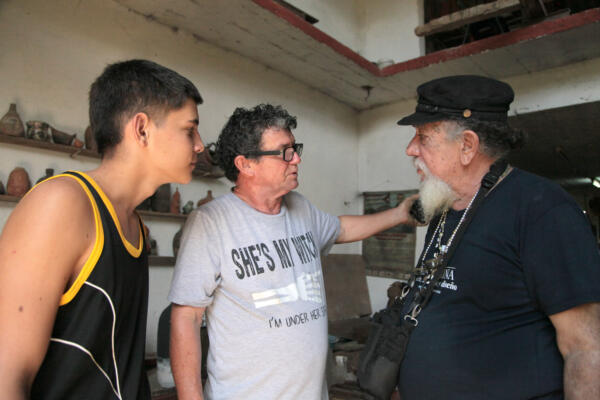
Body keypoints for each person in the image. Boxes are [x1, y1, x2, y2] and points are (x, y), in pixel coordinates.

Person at [168, 104, 416, 400]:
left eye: (295, 149)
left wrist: (400, 214)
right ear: (246, 164)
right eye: (285, 152)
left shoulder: (300, 207)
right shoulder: (210, 223)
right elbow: (186, 319)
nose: (296, 159)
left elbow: (341, 229)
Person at [0, 59, 205, 399]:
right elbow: (6, 375)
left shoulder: (135, 226)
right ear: (142, 129)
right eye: (189, 130)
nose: (199, 145)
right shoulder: (62, 204)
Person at [395, 75, 600, 399]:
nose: (410, 149)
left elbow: (586, 349)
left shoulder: (543, 211)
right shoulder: (444, 207)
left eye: (423, 137)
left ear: (467, 146)